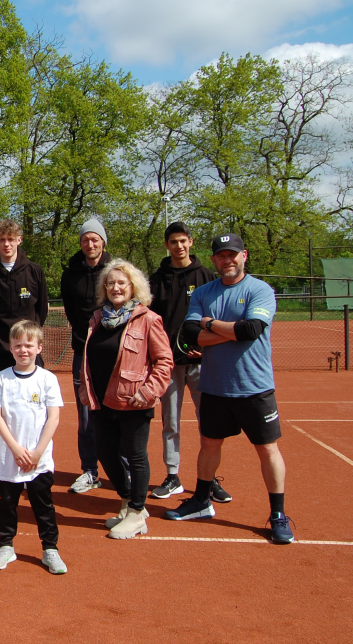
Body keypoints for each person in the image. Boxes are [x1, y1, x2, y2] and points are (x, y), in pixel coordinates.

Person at [166, 233, 294, 544]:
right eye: (221, 256)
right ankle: (201, 501)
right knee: (209, 445)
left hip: (255, 387)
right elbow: (191, 333)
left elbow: (252, 330)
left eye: (232, 254)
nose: (228, 260)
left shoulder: (260, 290)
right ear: (214, 260)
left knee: (267, 449)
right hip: (214, 386)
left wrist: (210, 324)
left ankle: (278, 514)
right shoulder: (204, 293)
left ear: (244, 255)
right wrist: (230, 330)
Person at [78, 259, 173, 539]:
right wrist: (84, 388)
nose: (115, 288)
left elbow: (164, 361)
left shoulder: (148, 319)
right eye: (110, 283)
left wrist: (148, 391)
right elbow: (88, 357)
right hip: (100, 400)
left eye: (121, 283)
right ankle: (128, 500)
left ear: (133, 286)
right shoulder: (98, 318)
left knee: (135, 455)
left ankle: (137, 513)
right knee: (105, 453)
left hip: (134, 402)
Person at [147, 222, 225, 501]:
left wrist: (204, 347)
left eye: (183, 241)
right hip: (168, 364)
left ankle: (209, 478)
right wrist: (158, 355)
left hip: (203, 362)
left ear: (191, 242)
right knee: (171, 422)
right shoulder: (156, 280)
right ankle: (173, 476)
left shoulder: (207, 277)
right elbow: (150, 321)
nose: (179, 246)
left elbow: (217, 316)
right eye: (173, 242)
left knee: (209, 422)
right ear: (166, 245)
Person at [0, 219, 48, 509]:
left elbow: (41, 311)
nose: (6, 244)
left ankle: (31, 470)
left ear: (19, 240)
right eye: (1, 239)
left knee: (30, 416)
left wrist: (27, 346)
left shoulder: (34, 272)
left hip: (28, 356)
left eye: (11, 239)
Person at [0, 320, 67, 574]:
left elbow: (53, 418)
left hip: (38, 459)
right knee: (7, 505)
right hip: (10, 458)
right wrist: (15, 449)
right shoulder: (2, 379)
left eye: (29, 345)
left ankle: (50, 549)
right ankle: (6, 546)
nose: (23, 350)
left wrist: (38, 452)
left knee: (43, 506)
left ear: (39, 348)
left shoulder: (48, 379)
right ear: (11, 348)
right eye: (18, 345)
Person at [61, 219, 111, 494]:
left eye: (95, 239)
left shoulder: (116, 270)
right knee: (85, 415)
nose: (90, 244)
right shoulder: (71, 275)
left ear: (103, 242)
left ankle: (124, 469)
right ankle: (90, 470)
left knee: (117, 413)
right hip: (83, 352)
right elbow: (71, 311)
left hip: (113, 353)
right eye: (85, 240)